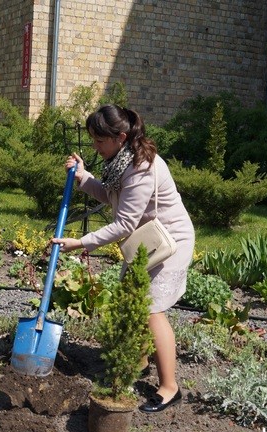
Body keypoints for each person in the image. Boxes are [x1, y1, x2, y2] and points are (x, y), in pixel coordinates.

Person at [52, 104, 195, 413]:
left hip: (170, 243)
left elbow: (125, 224)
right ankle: (138, 363)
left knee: (151, 310)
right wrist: (83, 177)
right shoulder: (122, 161)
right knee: (132, 299)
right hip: (147, 243)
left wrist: (82, 242)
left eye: (99, 141)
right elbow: (111, 196)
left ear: (120, 136)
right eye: (92, 140)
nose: (95, 146)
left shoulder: (142, 168)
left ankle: (170, 387)